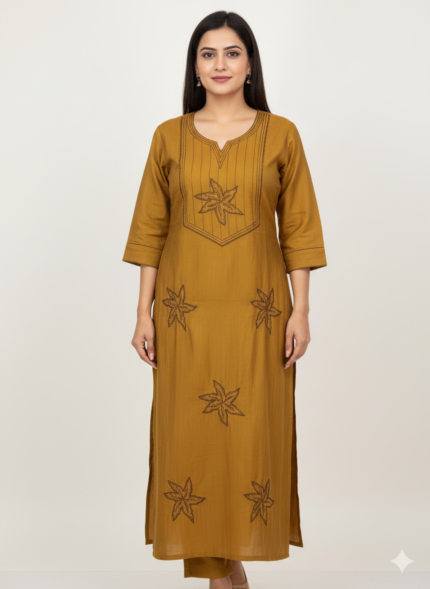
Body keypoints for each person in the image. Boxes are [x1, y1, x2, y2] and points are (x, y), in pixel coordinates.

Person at [122, 10, 327, 589]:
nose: (220, 64)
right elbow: (151, 229)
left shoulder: (281, 134)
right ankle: (224, 577)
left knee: (251, 440)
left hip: (258, 319)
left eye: (232, 53)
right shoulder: (168, 137)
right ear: (195, 67)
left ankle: (226, 574)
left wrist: (301, 310)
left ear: (250, 64)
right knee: (190, 442)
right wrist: (142, 312)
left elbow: (299, 228)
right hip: (184, 319)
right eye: (208, 54)